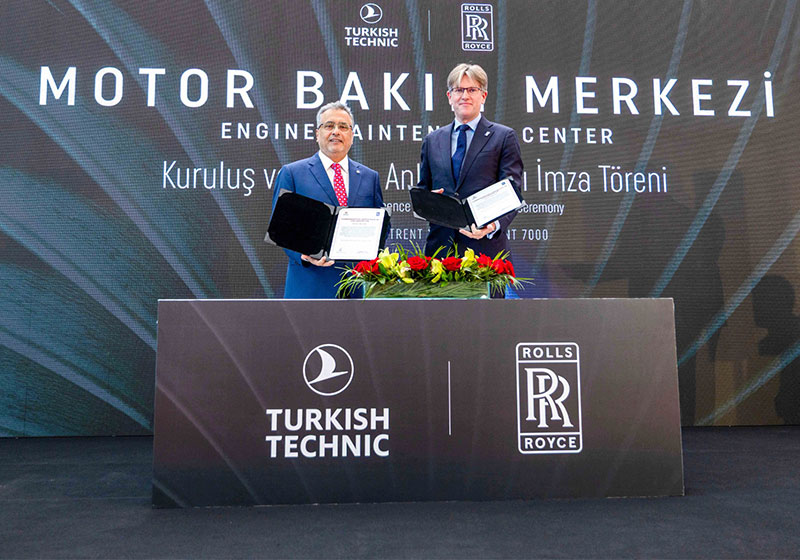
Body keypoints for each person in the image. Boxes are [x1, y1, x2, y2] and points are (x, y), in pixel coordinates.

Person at [272, 101, 383, 298]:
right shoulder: (293, 173)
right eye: (329, 125)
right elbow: (280, 229)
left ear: (352, 135)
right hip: (309, 287)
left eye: (343, 127)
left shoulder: (370, 177)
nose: (336, 132)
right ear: (317, 134)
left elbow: (381, 224)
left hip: (357, 289)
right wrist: (304, 255)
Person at [417, 63, 523, 261]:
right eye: (458, 90)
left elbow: (512, 190)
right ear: (449, 97)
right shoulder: (432, 140)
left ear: (483, 96)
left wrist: (493, 225)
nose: (465, 96)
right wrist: (429, 201)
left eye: (472, 90)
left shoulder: (503, 137)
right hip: (440, 252)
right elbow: (424, 190)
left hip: (486, 253)